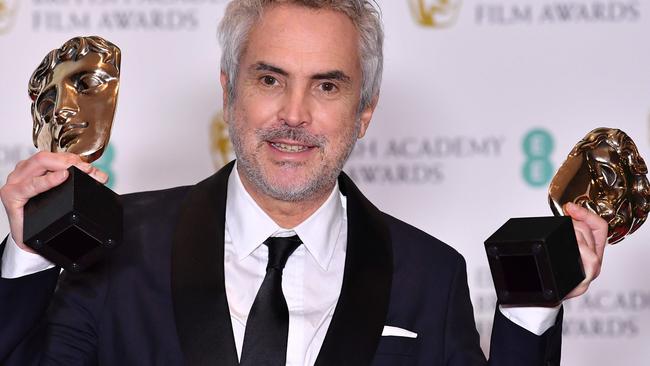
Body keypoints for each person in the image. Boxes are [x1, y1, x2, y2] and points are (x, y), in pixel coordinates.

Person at [0, 1, 607, 365]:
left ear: (364, 112)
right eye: (269, 79)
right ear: (228, 90)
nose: (294, 113)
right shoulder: (118, 246)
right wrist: (28, 256)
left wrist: (532, 307)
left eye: (327, 85)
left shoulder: (430, 275)